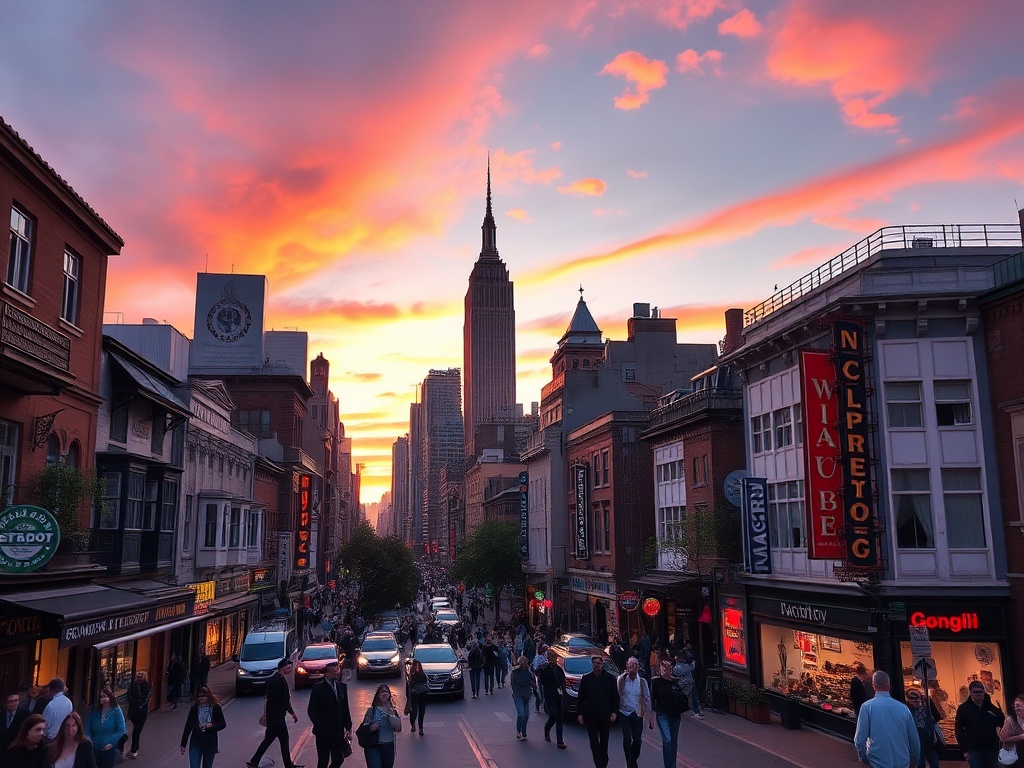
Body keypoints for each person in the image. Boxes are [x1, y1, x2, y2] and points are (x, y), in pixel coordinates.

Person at [853, 671, 920, 768]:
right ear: (889, 686)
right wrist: (914, 761)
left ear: (873, 685)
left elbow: (859, 740)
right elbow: (914, 741)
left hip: (877, 763)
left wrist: (863, 758)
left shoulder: (867, 707)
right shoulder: (904, 709)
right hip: (902, 763)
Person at [247, 658, 304, 768]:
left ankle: (255, 761)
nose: (289, 670)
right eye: (288, 668)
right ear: (282, 667)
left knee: (272, 741)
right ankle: (286, 765)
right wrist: (291, 712)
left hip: (275, 717)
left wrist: (291, 713)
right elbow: (281, 699)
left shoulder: (278, 679)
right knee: (281, 741)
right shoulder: (277, 680)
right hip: (276, 718)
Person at [577, 655, 620, 768]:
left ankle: (603, 763)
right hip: (591, 716)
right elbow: (581, 698)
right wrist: (580, 713)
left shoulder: (610, 679)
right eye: (595, 663)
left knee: (604, 743)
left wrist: (614, 712)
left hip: (605, 716)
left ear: (602, 664)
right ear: (592, 664)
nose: (597, 665)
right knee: (594, 743)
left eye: (599, 663)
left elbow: (615, 698)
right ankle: (598, 764)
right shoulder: (586, 679)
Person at [308, 662, 352, 768]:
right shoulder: (318, 688)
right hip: (323, 732)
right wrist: (320, 724)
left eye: (337, 671)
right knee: (323, 760)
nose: (336, 673)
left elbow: (345, 708)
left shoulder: (341, 687)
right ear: (327, 673)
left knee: (339, 759)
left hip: (338, 731)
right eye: (333, 671)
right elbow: (311, 710)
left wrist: (348, 727)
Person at [955, 680, 1005, 768]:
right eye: (975, 692)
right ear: (970, 693)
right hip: (974, 749)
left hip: (991, 748)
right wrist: (964, 750)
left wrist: (989, 705)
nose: (978, 694)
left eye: (980, 692)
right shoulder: (963, 708)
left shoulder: (989, 706)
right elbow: (959, 730)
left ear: (984, 692)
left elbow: (1001, 719)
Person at [651, 658, 688, 768]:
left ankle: (672, 765)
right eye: (662, 669)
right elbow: (651, 698)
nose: (664, 671)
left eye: (666, 669)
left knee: (673, 743)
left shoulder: (675, 681)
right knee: (668, 740)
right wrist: (651, 715)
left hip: (675, 716)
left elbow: (684, 694)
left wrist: (673, 681)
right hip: (662, 715)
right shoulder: (656, 682)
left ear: (670, 669)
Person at [616, 658, 653, 768]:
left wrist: (650, 717)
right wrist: (624, 676)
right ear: (627, 665)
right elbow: (618, 690)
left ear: (637, 667)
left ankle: (633, 759)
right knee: (627, 739)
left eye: (634, 665)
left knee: (637, 740)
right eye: (630, 665)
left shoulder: (642, 681)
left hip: (637, 713)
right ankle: (630, 763)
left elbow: (647, 698)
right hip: (624, 713)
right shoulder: (622, 679)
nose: (632, 667)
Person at [178, 687, 225, 768]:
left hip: (210, 743)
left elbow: (222, 724)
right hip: (196, 742)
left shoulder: (216, 708)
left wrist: (212, 726)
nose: (201, 699)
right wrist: (183, 744)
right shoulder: (194, 708)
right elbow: (188, 726)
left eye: (204, 697)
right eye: (199, 697)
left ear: (209, 696)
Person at [359, 685, 401, 768]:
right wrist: (371, 728)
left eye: (386, 692)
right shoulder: (371, 710)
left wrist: (392, 716)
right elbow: (364, 727)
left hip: (388, 745)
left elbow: (398, 729)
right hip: (373, 745)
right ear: (377, 695)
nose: (384, 694)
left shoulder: (393, 711)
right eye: (382, 692)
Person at [85, 687, 125, 768]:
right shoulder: (95, 711)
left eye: (104, 696)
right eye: (101, 697)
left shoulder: (116, 711)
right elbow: (88, 728)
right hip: (95, 749)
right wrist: (89, 739)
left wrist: (111, 743)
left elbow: (121, 729)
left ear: (110, 697)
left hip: (108, 750)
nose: (102, 699)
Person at [906, 687, 944, 768]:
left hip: (921, 737)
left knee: (922, 762)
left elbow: (937, 716)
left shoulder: (908, 707)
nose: (914, 704)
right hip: (927, 736)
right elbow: (937, 716)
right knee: (931, 760)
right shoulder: (927, 702)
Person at [537, 649, 567, 749]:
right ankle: (547, 728)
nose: (551, 658)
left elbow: (562, 682)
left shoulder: (559, 669)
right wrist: (541, 669)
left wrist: (563, 693)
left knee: (560, 718)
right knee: (553, 715)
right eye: (549, 656)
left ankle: (560, 741)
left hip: (559, 695)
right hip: (549, 695)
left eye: (553, 656)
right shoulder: (545, 668)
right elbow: (540, 677)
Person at [124, 670, 152, 759]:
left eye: (141, 676)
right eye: (139, 676)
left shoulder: (137, 686)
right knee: (136, 731)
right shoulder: (145, 687)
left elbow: (130, 697)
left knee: (135, 731)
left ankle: (134, 749)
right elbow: (145, 699)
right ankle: (134, 749)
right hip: (139, 712)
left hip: (135, 711)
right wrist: (139, 703)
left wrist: (135, 703)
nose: (140, 678)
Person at [510, 656, 538, 740]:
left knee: (526, 715)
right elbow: (512, 683)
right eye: (521, 662)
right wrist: (514, 692)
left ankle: (524, 732)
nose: (523, 664)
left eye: (524, 662)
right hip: (518, 694)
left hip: (527, 695)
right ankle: (519, 730)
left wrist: (532, 685)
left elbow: (534, 683)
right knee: (521, 713)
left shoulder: (529, 672)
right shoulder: (515, 672)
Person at [999, 695, 1024, 764]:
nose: (1020, 708)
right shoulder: (1010, 721)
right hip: (1015, 757)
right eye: (1017, 706)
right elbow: (1003, 739)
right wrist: (1021, 737)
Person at [406, 660, 428, 736]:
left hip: (421, 694)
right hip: (414, 695)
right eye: (415, 666)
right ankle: (413, 725)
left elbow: (425, 683)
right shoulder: (410, 675)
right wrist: (408, 697)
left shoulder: (422, 674)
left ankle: (420, 728)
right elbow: (408, 687)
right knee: (413, 712)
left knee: (421, 711)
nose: (417, 667)